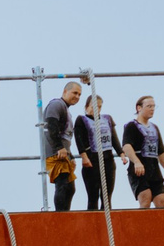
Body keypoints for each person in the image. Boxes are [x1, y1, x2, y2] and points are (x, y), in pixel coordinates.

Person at [121, 97, 164, 209]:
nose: (152, 109)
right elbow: (127, 146)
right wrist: (137, 162)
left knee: (161, 201)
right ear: (139, 108)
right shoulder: (131, 126)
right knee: (145, 198)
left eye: (153, 106)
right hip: (139, 169)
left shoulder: (155, 128)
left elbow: (161, 151)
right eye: (149, 106)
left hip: (154, 169)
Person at [42, 82, 81, 211]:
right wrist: (58, 147)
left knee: (70, 187)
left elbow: (66, 136)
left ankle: (65, 213)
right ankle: (60, 215)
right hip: (55, 153)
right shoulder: (56, 105)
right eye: (74, 93)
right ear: (65, 91)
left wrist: (71, 155)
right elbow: (50, 126)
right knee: (63, 185)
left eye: (79, 94)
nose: (77, 96)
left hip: (64, 153)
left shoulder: (66, 109)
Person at [74, 95, 117, 212]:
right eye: (94, 106)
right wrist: (84, 156)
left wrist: (121, 153)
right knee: (93, 196)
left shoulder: (107, 119)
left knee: (107, 197)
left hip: (108, 159)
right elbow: (79, 140)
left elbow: (113, 137)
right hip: (92, 160)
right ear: (87, 106)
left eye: (99, 107)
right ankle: (92, 223)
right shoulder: (81, 120)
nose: (97, 109)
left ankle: (107, 222)